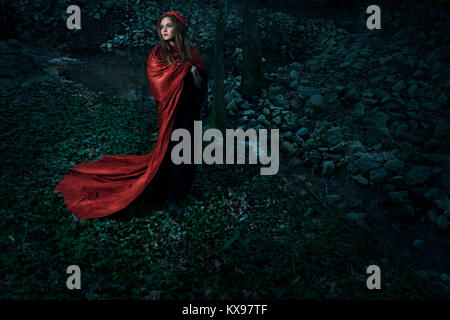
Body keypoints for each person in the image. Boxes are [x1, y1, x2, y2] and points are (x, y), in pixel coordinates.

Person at [53, 11, 208, 220]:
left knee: (189, 149)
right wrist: (181, 72)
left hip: (190, 108)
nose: (164, 30)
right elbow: (158, 83)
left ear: (178, 28)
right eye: (161, 26)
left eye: (169, 25)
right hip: (171, 111)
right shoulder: (157, 55)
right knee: (173, 150)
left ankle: (184, 189)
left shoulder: (191, 53)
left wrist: (193, 73)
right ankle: (170, 197)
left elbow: (200, 86)